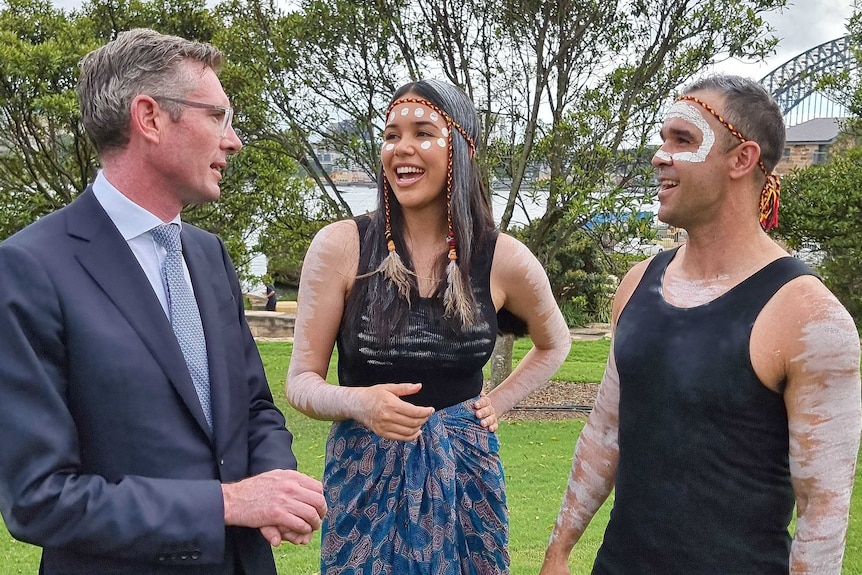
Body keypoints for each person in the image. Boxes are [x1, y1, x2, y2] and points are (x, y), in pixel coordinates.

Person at [0, 29, 326, 575]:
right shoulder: (29, 269)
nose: (234, 140)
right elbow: (39, 497)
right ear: (149, 118)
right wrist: (227, 503)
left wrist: (276, 483)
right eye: (218, 116)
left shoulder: (208, 255)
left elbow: (253, 407)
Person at [540, 74, 862, 575]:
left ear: (742, 159)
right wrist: (558, 552)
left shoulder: (808, 317)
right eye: (663, 139)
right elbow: (605, 432)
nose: (660, 155)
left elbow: (823, 511)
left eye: (683, 140)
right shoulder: (636, 282)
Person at [286, 79, 571, 574]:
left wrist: (497, 401)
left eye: (423, 133)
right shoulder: (341, 248)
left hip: (465, 474)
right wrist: (359, 402)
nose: (403, 149)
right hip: (365, 474)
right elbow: (300, 382)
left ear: (459, 148)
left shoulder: (502, 259)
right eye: (392, 135)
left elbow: (555, 343)